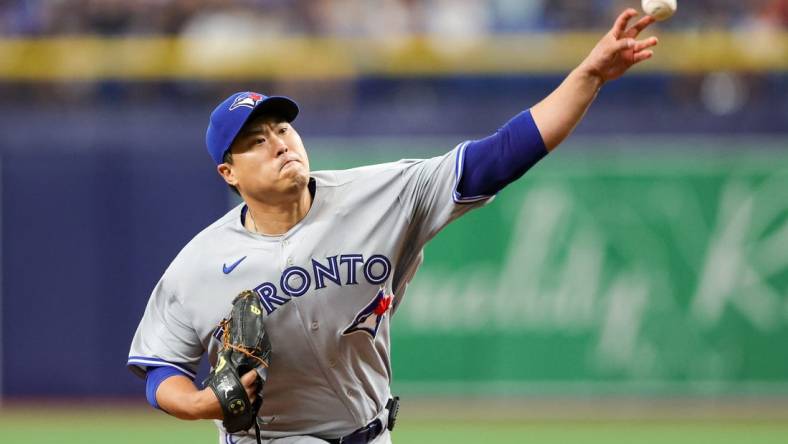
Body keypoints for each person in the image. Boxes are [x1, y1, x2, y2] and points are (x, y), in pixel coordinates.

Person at [128, 9, 658, 444]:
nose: (280, 143)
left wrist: (588, 75)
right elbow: (158, 366)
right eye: (255, 140)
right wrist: (198, 403)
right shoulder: (199, 263)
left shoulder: (379, 196)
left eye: (283, 127)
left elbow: (498, 157)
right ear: (229, 172)